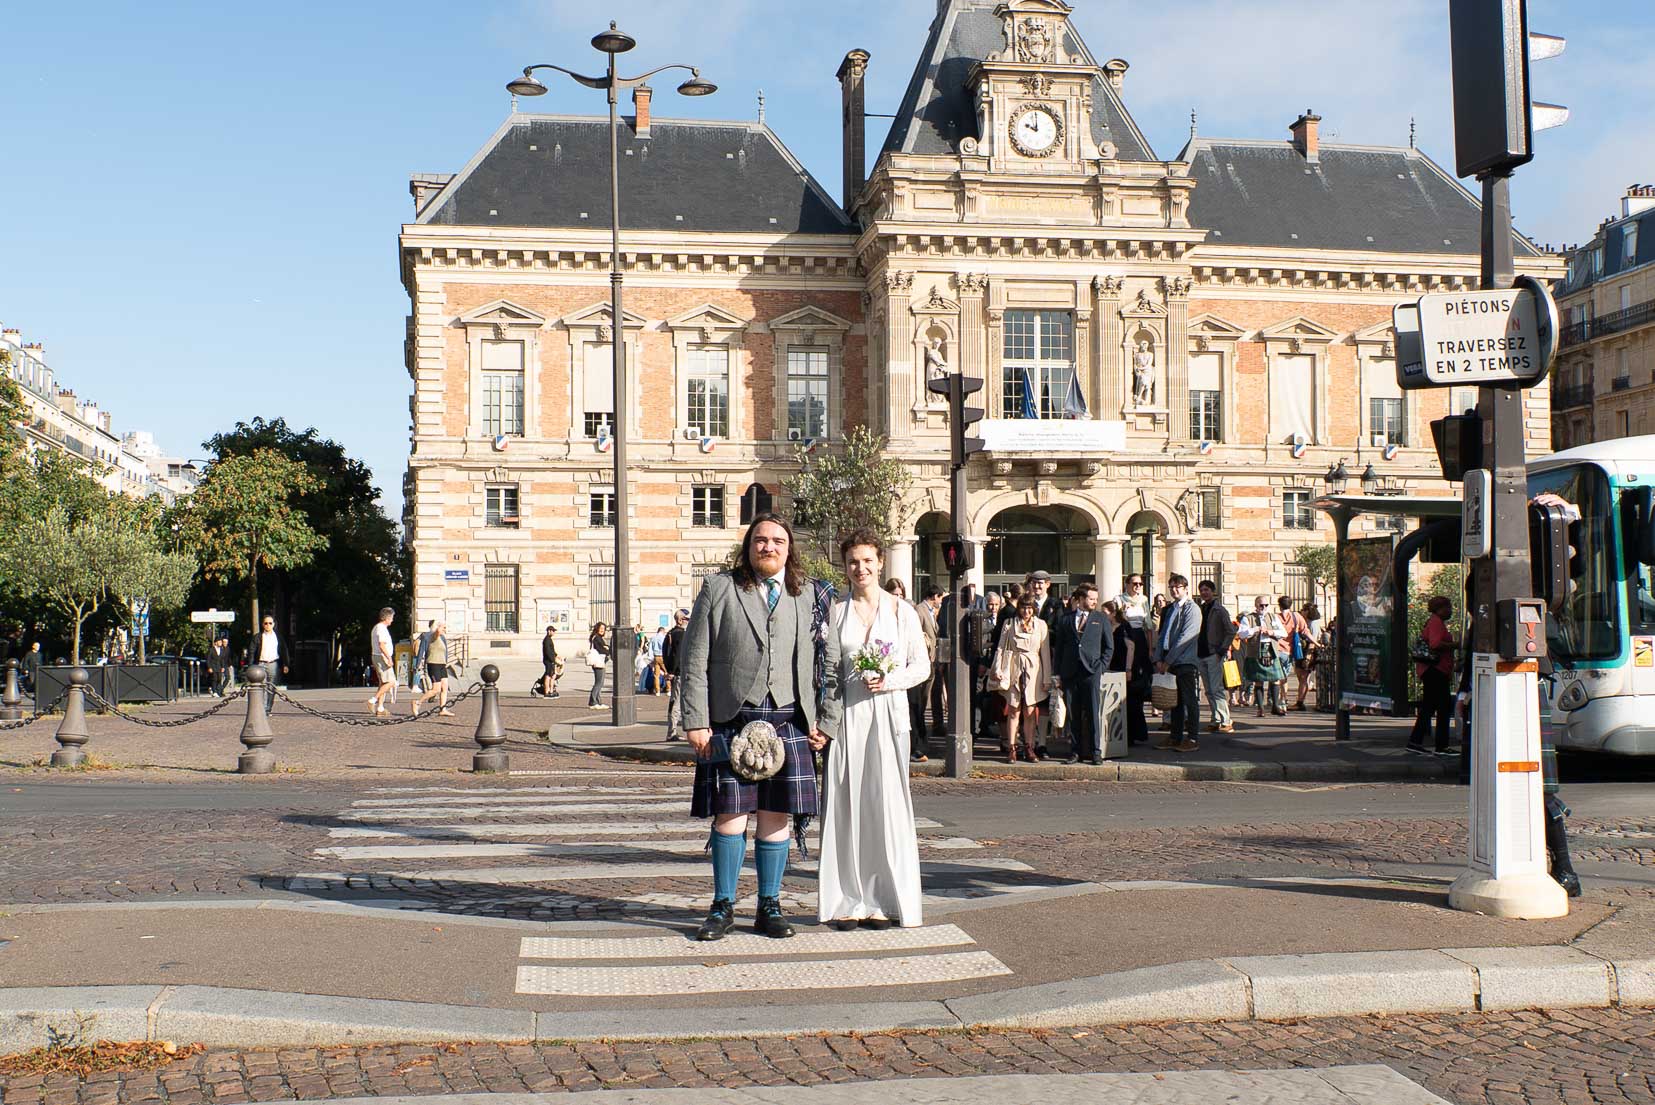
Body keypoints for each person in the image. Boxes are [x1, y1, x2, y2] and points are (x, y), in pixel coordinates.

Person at [680, 513, 839, 941]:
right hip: (732, 719)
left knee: (777, 816)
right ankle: (722, 906)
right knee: (729, 816)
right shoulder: (720, 587)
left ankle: (770, 905)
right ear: (749, 546)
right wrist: (695, 720)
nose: (768, 547)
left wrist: (826, 721)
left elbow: (831, 663)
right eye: (760, 541)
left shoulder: (809, 594)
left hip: (790, 719)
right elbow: (694, 659)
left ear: (789, 549)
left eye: (777, 541)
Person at [818, 530, 927, 929]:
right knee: (845, 807)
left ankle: (883, 899)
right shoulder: (836, 611)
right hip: (848, 717)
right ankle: (848, 898)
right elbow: (828, 671)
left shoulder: (903, 612)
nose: (860, 568)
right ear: (844, 567)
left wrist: (890, 678)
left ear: (880, 563)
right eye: (852, 562)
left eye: (867, 561)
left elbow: (922, 666)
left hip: (888, 716)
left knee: (885, 809)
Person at [988, 593, 1052, 762]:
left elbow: (1045, 652)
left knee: (1030, 711)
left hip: (1034, 670)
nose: (1026, 611)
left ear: (1034, 609)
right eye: (1023, 607)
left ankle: (1030, 747)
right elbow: (1001, 647)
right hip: (1014, 669)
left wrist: (1047, 678)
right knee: (1013, 710)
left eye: (1029, 608)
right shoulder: (1009, 624)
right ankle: (1012, 747)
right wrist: (997, 669)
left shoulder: (1041, 625)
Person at [1053, 583, 1112, 765]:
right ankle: (1075, 751)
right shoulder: (1066, 619)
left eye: (1095, 599)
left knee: (1093, 712)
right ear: (1080, 599)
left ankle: (1096, 751)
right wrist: (1058, 674)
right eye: (1090, 598)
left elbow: (1109, 646)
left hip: (1091, 672)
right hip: (1070, 672)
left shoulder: (1101, 618)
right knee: (1074, 714)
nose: (1094, 602)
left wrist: (1101, 667)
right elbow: (1060, 648)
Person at [1153, 574, 1201, 753]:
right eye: (1171, 587)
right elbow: (1163, 633)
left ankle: (1193, 738)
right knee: (1176, 702)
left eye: (1178, 587)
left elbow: (1186, 637)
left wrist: (1168, 660)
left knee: (1190, 701)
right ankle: (1175, 736)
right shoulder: (1171, 608)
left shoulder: (1192, 609)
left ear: (1186, 588)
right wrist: (1158, 658)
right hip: (1169, 661)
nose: (1174, 590)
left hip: (1185, 661)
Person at [1408, 595, 1457, 756]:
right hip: (1435, 670)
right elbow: (1435, 644)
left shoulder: (1435, 621)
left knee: (1429, 707)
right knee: (1442, 707)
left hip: (1433, 670)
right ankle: (1441, 746)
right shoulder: (1436, 622)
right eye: (1448, 607)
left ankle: (1415, 741)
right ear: (1440, 609)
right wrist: (1455, 645)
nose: (1450, 611)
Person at [1105, 600, 1151, 746]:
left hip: (1125, 667)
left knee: (1131, 702)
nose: (1103, 615)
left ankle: (1133, 735)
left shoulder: (1124, 627)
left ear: (1112, 613)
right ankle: (1120, 734)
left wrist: (1128, 669)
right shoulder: (1107, 627)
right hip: (1113, 668)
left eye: (1105, 612)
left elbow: (1130, 647)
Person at [904, 583, 941, 764]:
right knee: (915, 705)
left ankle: (920, 741)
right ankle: (914, 744)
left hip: (926, 662)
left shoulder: (930, 611)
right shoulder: (919, 610)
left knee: (921, 704)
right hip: (911, 667)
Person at [1195, 580, 1236, 735]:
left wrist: (1222, 649)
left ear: (1213, 591)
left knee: (1216, 689)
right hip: (1201, 654)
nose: (1204, 593)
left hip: (1213, 654)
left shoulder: (1219, 610)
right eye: (1201, 590)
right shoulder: (1201, 608)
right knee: (1208, 690)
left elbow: (1231, 631)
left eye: (1206, 590)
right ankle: (1215, 719)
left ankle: (1226, 721)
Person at [1236, 596, 1288, 717]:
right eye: (1261, 605)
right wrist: (1256, 629)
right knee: (1258, 681)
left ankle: (1275, 706)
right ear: (1256, 605)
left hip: (1270, 649)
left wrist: (1272, 632)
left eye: (1266, 605)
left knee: (1275, 679)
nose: (1263, 608)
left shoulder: (1273, 617)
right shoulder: (1248, 618)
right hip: (1255, 651)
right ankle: (1260, 709)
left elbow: (1283, 633)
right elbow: (1242, 634)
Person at [411, 622, 455, 716]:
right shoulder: (430, 636)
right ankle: (418, 702)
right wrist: (418, 664)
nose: (445, 630)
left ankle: (443, 709)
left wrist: (446, 663)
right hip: (433, 664)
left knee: (444, 687)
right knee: (436, 689)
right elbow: (422, 650)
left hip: (442, 665)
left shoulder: (442, 638)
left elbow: (445, 651)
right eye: (444, 628)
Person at [252, 614, 288, 713]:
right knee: (261, 687)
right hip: (260, 664)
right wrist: (251, 665)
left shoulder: (278, 637)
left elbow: (284, 650)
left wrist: (285, 664)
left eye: (270, 623)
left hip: (273, 664)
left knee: (271, 687)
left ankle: (268, 708)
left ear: (273, 624)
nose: (268, 625)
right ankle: (261, 709)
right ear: (263, 625)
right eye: (266, 623)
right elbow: (252, 651)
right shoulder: (258, 637)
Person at [662, 609, 689, 739]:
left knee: (675, 701)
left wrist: (668, 670)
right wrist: (673, 671)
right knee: (677, 702)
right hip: (679, 673)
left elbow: (666, 653)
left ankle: (673, 731)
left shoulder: (671, 633)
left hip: (674, 672)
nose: (688, 622)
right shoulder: (681, 634)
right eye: (686, 619)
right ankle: (671, 732)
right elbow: (678, 655)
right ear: (680, 620)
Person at [367, 607, 396, 716]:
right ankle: (372, 701)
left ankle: (380, 708)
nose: (392, 620)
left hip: (378, 656)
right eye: (392, 617)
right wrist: (388, 657)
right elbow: (382, 644)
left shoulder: (378, 628)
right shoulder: (381, 628)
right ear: (387, 617)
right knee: (391, 682)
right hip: (381, 657)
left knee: (383, 683)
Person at [1293, 602, 1322, 710]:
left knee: (1303, 677)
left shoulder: (1313, 623)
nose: (1302, 612)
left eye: (1303, 610)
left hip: (1307, 652)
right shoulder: (1307, 621)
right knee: (1301, 677)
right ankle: (1300, 700)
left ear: (1307, 611)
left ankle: (1300, 702)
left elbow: (1312, 641)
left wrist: (1308, 657)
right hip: (1302, 650)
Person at [587, 623, 611, 709]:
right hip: (598, 662)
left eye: (604, 629)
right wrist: (607, 650)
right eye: (601, 628)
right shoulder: (596, 638)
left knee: (600, 682)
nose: (602, 630)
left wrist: (606, 647)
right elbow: (600, 649)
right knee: (598, 683)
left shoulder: (598, 638)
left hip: (600, 662)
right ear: (597, 628)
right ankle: (593, 702)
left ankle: (598, 701)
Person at [540, 625, 561, 697]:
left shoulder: (549, 639)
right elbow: (548, 652)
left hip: (551, 660)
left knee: (553, 675)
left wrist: (557, 656)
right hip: (548, 660)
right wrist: (553, 660)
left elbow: (552, 651)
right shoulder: (546, 640)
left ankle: (551, 691)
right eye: (553, 631)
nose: (554, 632)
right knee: (548, 675)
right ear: (549, 631)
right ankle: (546, 692)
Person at [649, 623, 669, 697]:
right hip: (662, 656)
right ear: (663, 631)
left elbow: (650, 649)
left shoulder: (653, 638)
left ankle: (657, 691)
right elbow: (665, 648)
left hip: (655, 656)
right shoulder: (663, 638)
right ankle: (668, 690)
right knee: (667, 672)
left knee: (656, 675)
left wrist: (650, 658)